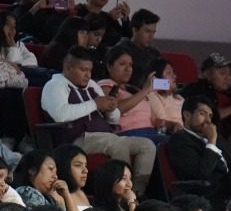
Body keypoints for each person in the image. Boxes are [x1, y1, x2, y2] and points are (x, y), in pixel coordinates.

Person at [39, 46, 156, 177]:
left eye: (90, 70)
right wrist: (95, 104)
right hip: (77, 139)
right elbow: (60, 115)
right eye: (83, 70)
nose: (88, 75)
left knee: (147, 145)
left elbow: (114, 119)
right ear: (68, 68)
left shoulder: (92, 86)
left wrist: (111, 110)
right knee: (118, 145)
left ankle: (138, 189)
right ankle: (119, 190)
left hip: (105, 135)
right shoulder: (55, 85)